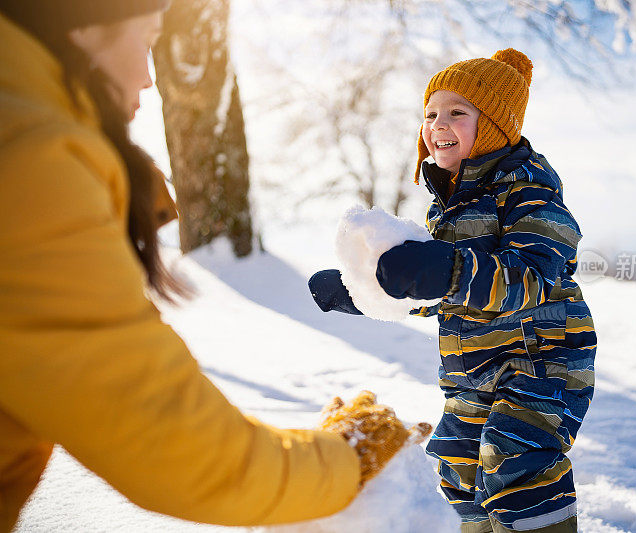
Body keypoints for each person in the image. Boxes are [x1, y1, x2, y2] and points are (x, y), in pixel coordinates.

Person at [0, 2, 409, 531]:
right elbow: (171, 445)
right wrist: (346, 457)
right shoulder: (35, 164)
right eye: (146, 41)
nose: (148, 79)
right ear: (80, 27)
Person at [310, 49, 597, 532]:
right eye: (431, 114)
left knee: (514, 456)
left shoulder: (530, 192)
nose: (438, 123)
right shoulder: (444, 210)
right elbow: (434, 292)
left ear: (494, 127)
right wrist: (363, 290)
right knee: (455, 465)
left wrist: (442, 270)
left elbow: (528, 277)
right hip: (471, 370)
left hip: (542, 359)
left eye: (457, 113)